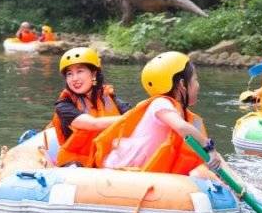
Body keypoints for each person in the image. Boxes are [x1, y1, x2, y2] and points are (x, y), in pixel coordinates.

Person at [93, 51, 222, 177]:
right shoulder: (161, 103)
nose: (198, 85)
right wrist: (208, 146)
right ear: (182, 84)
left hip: (147, 174)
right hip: (120, 170)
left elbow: (206, 155)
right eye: (195, 79)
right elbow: (182, 128)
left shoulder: (186, 116)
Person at [49, 47, 129, 167]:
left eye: (80, 71)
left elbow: (133, 114)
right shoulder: (64, 105)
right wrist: (127, 118)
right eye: (69, 74)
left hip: (107, 159)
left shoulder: (109, 97)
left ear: (93, 74)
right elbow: (93, 124)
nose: (74, 78)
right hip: (76, 163)